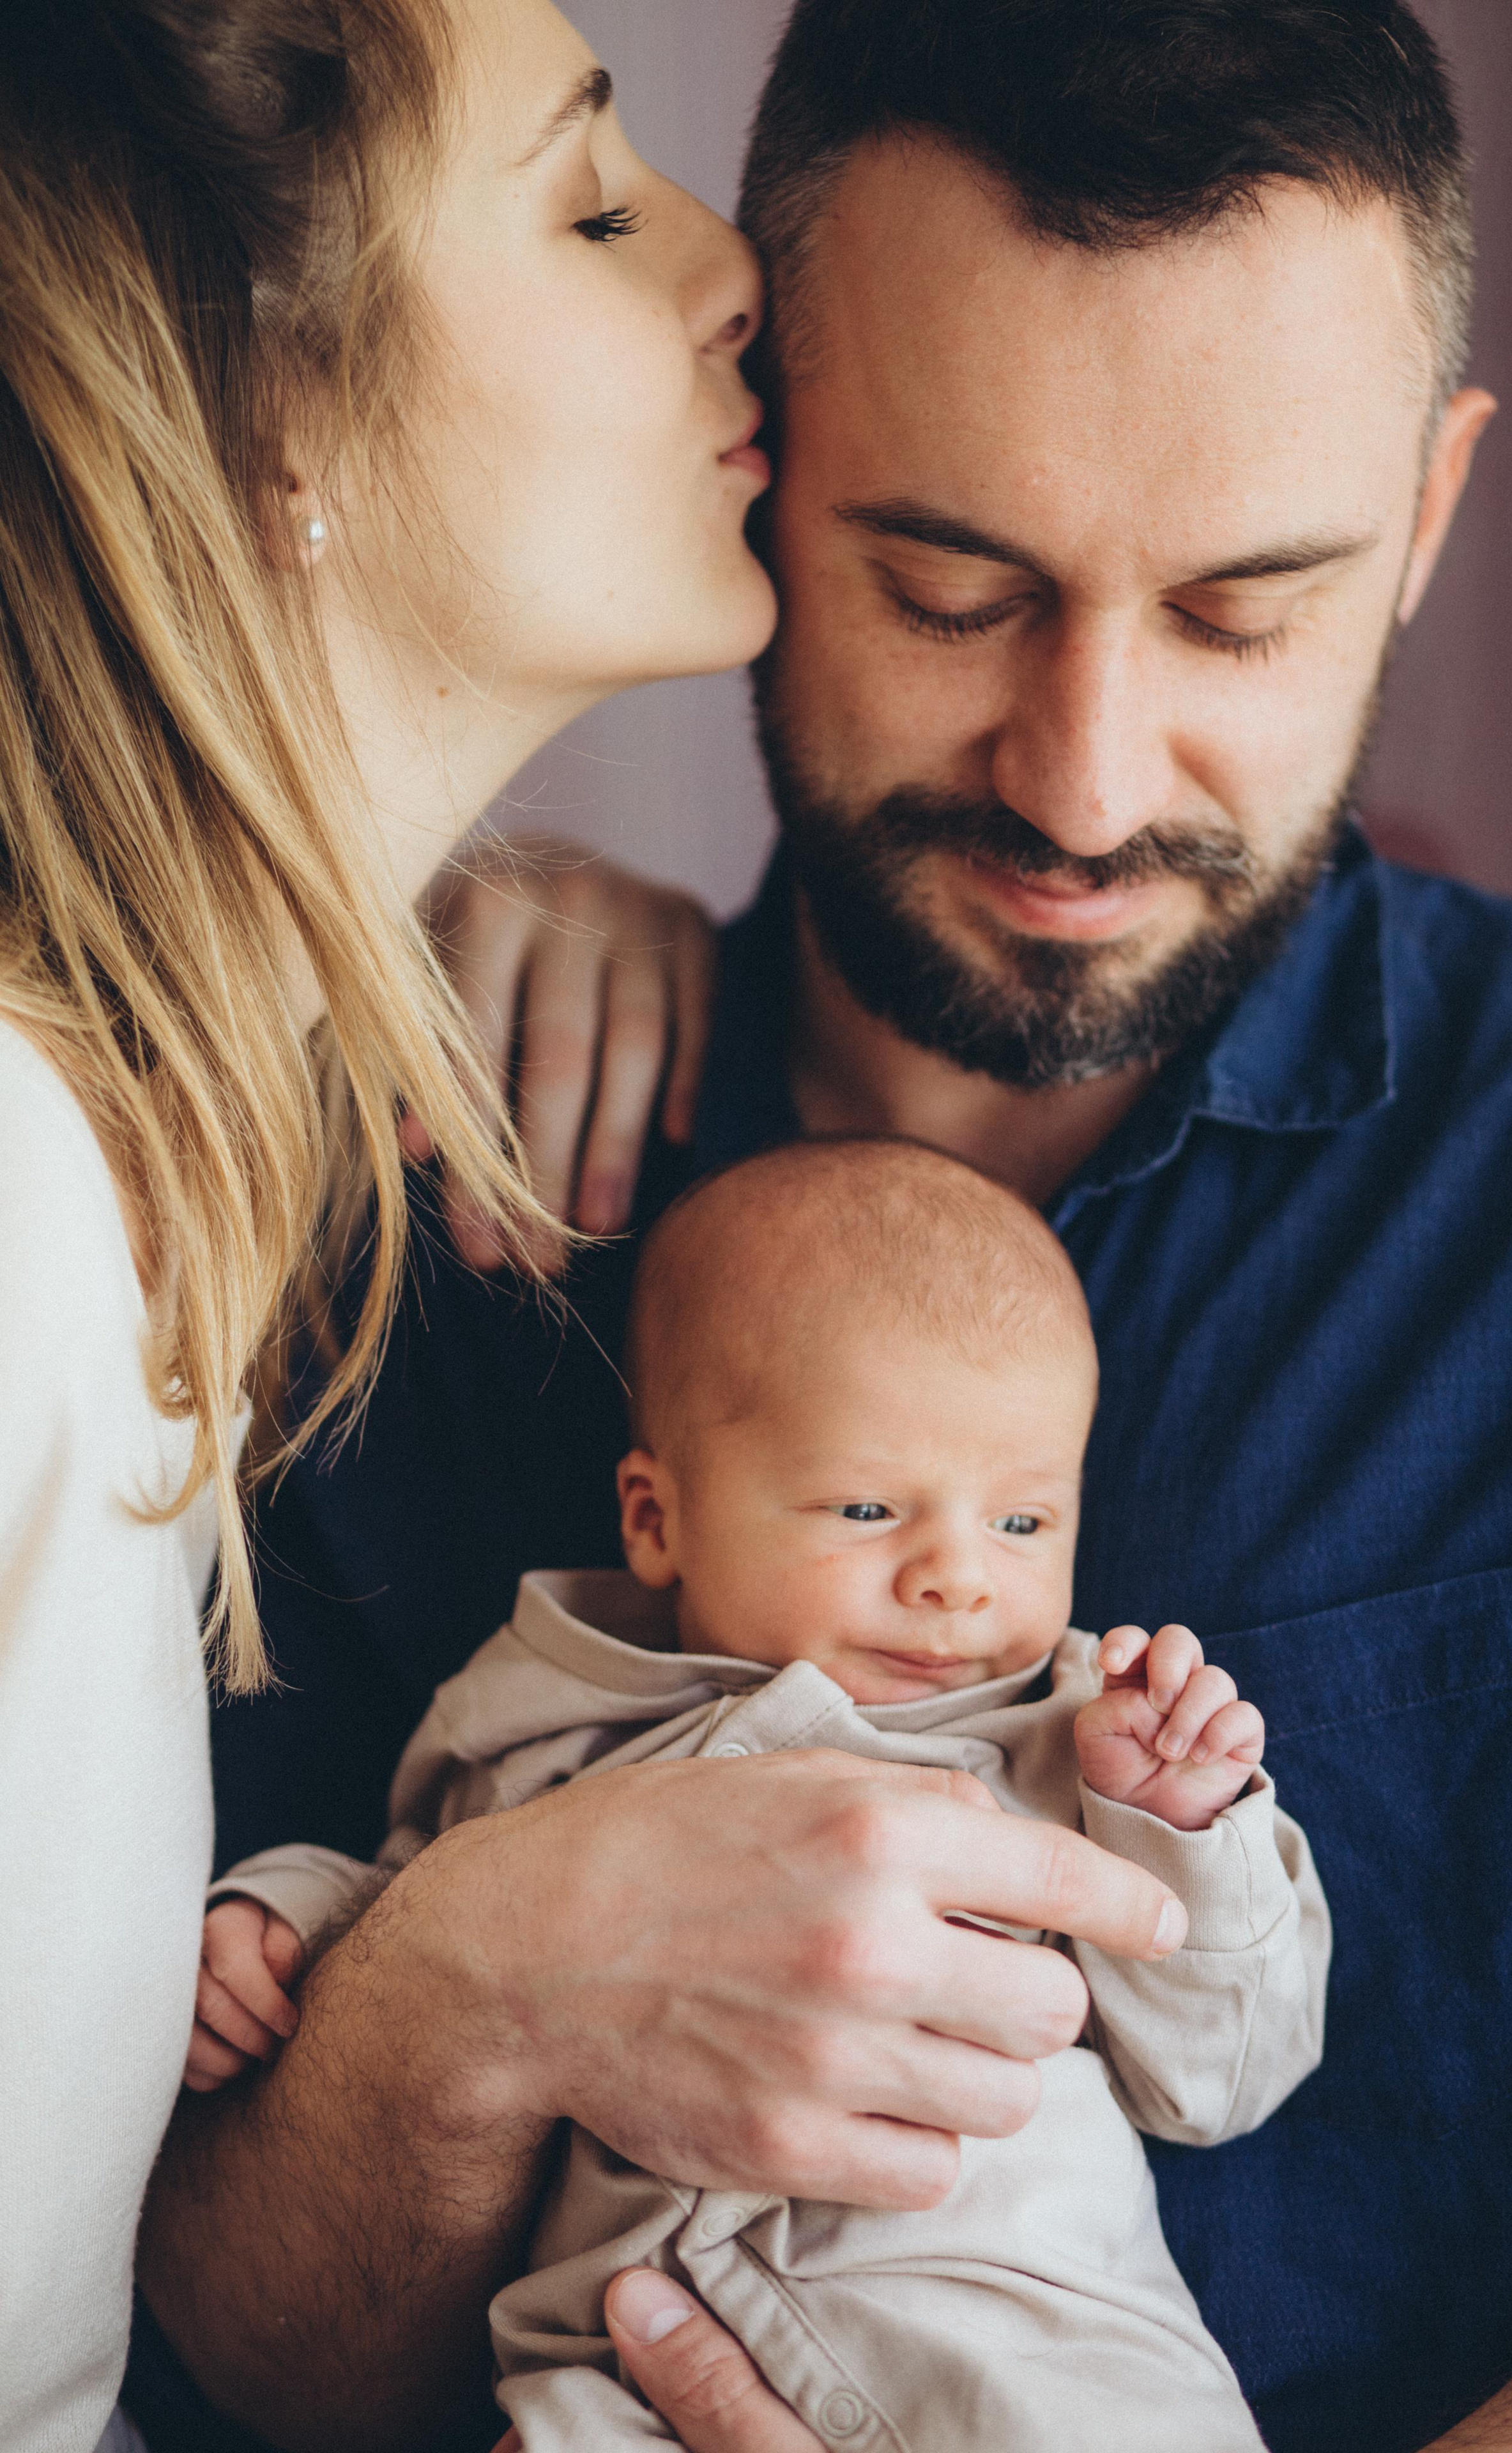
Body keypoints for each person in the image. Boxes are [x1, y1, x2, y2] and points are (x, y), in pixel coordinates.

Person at [132, 4, 1512, 2452]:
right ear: (758, 460)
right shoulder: (403, 1223)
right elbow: (223, 2342)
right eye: (951, 586)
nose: (1086, 779)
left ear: (1436, 519)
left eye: (1249, 611)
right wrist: (482, 1976)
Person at [0, 0, 965, 2447]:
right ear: (269, 418)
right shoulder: (21, 1213)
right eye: (585, 197)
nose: (735, 266)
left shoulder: (178, 1169)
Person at [189, 1138, 1329, 2451]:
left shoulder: (1069, 1744)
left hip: (1017, 2364)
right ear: (654, 1518)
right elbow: (413, 1905)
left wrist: (1178, 1827)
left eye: (1021, 1524)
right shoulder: (533, 1714)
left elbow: (1222, 2076)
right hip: (624, 2362)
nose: (956, 1579)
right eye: (864, 1507)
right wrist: (280, 1927)